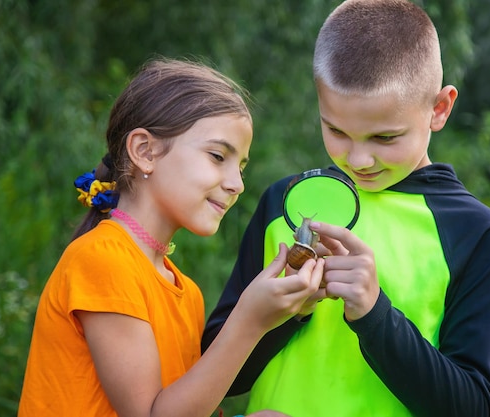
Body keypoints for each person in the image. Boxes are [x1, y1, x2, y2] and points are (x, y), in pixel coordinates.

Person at [201, 1, 490, 416]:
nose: (359, 159)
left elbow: (472, 407)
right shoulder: (283, 203)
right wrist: (288, 312)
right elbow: (222, 376)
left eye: (385, 137)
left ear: (439, 108)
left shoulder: (476, 233)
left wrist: (374, 313)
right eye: (336, 130)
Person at [17, 57, 323, 417]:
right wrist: (250, 320)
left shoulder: (185, 291)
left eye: (240, 166)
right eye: (217, 156)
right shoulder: (103, 260)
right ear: (145, 151)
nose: (237, 184)